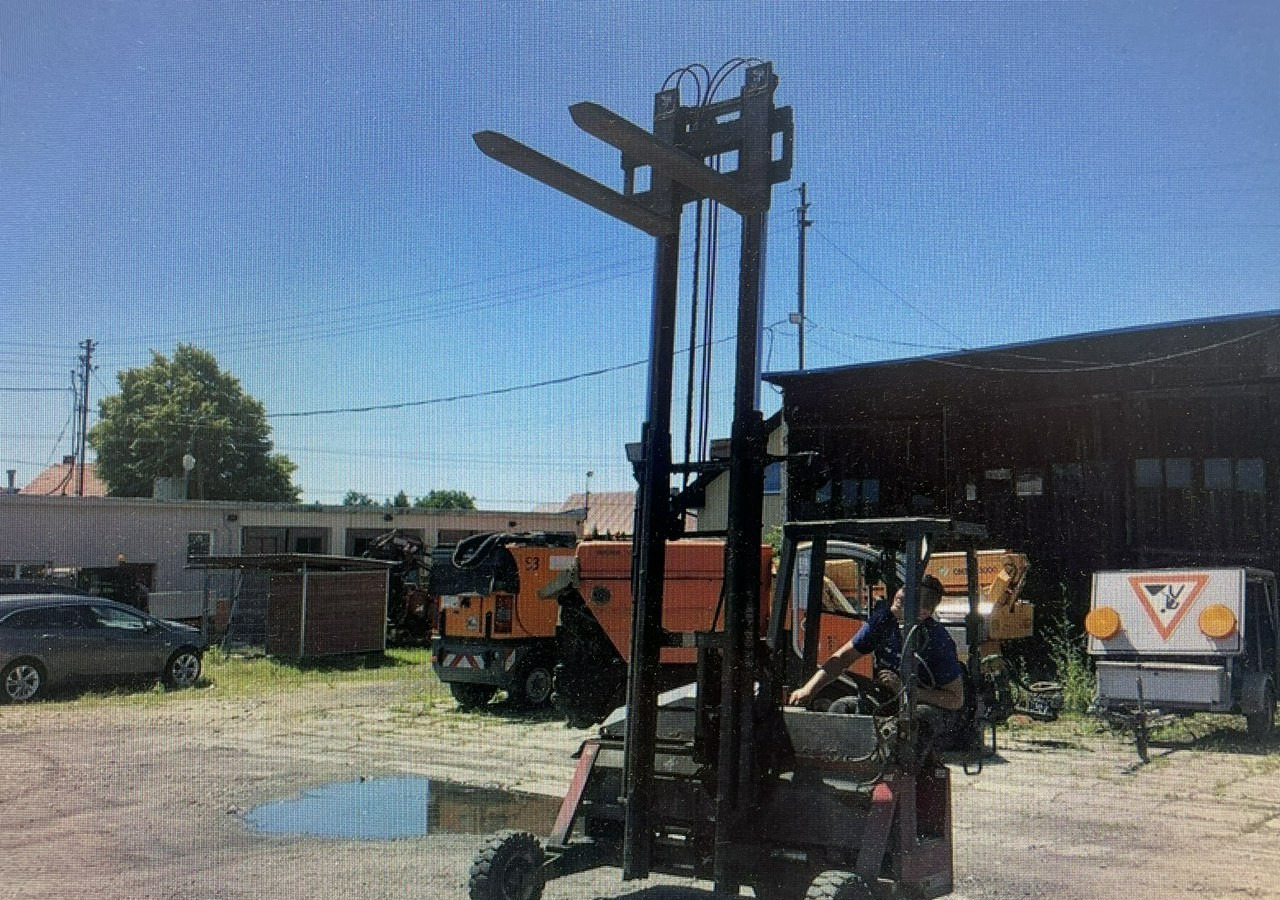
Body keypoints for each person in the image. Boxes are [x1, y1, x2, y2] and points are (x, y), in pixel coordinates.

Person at [787, 574, 965, 726]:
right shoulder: (883, 621)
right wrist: (808, 690)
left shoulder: (938, 642)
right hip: (891, 700)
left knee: (915, 720)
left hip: (924, 705)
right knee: (841, 708)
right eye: (904, 589)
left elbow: (955, 699)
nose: (901, 595)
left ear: (923, 613)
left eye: (911, 595)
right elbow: (842, 658)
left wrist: (906, 689)